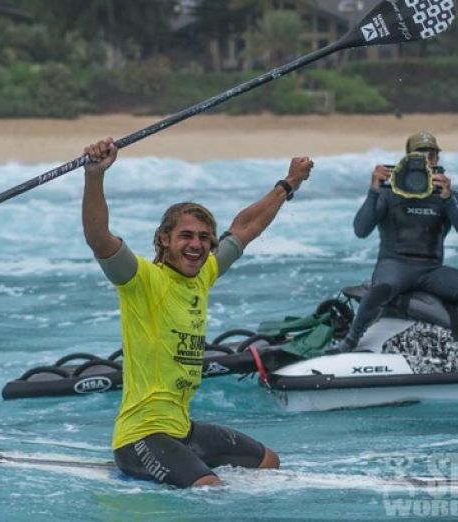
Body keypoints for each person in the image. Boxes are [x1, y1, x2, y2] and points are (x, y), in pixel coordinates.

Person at [82, 137, 313, 488]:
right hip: (140, 435)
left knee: (270, 462)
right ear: (164, 239)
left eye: (205, 238)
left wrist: (288, 183)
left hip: (183, 430)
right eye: (186, 236)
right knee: (209, 489)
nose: (197, 244)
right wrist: (95, 176)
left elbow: (245, 229)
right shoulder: (141, 280)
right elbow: (99, 238)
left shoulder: (203, 274)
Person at [333, 132, 458, 362]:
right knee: (380, 288)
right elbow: (361, 230)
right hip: (395, 265)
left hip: (431, 270)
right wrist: (373, 191)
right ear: (407, 159)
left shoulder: (447, 194)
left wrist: (449, 199)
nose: (426, 160)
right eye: (420, 155)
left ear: (437, 159)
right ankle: (349, 341)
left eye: (431, 155)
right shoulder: (389, 193)